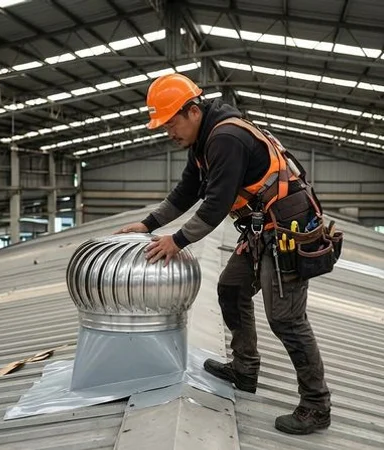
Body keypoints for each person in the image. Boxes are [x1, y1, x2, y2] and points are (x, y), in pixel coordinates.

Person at [116, 73, 331, 435]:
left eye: (171, 122)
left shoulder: (226, 137)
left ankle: (316, 405)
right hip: (263, 228)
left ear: (193, 111)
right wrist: (148, 223)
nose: (168, 132)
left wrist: (177, 241)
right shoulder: (203, 142)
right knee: (231, 287)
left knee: (287, 319)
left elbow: (215, 204)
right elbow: (187, 191)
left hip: (288, 232)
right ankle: (245, 370)